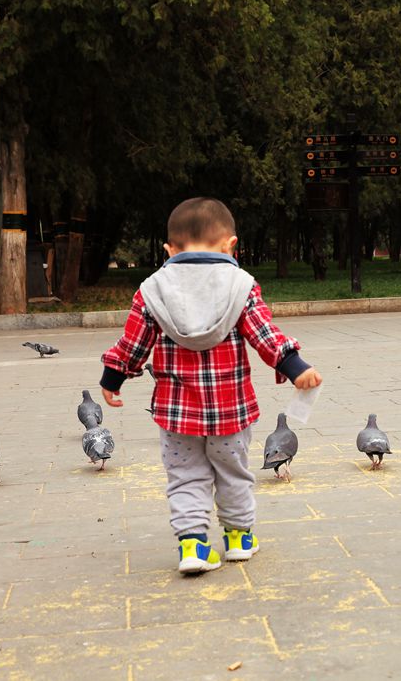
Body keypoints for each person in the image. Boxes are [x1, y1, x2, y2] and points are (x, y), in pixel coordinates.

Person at [99, 197, 323, 575]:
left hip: (176, 413)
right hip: (231, 411)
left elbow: (133, 345)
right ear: (229, 245)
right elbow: (264, 334)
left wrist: (113, 378)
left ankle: (193, 547)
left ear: (170, 249)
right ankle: (238, 539)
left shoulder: (152, 289)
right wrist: (295, 365)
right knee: (233, 473)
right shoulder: (241, 286)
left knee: (186, 477)